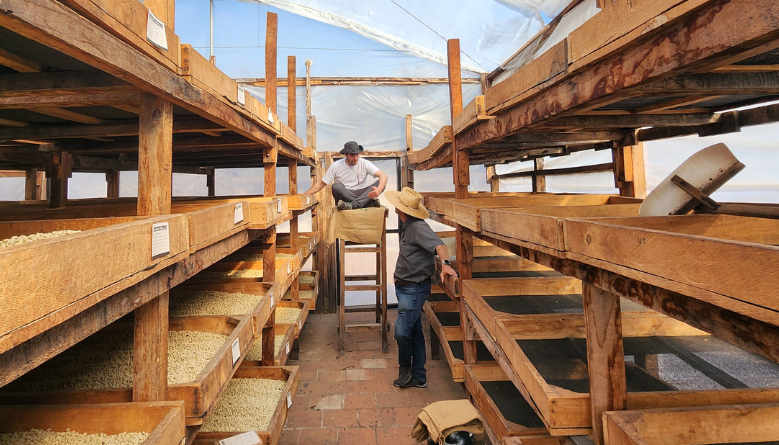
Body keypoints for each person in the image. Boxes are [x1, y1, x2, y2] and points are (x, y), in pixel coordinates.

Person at [384, 187, 457, 388]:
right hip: (405, 287)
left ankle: (405, 369)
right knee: (414, 331)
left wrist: (446, 264)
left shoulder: (417, 227)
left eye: (398, 207)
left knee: (401, 332)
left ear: (403, 210)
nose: (396, 209)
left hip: (413, 289)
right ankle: (419, 376)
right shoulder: (407, 224)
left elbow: (440, 245)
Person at [302, 141, 388, 210]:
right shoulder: (336, 165)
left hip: (362, 194)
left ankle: (353, 205)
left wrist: (378, 190)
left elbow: (383, 176)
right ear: (346, 154)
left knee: (381, 183)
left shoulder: (364, 163)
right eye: (352, 155)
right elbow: (321, 184)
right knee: (336, 186)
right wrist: (303, 196)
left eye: (357, 154)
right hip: (346, 196)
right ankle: (366, 203)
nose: (355, 158)